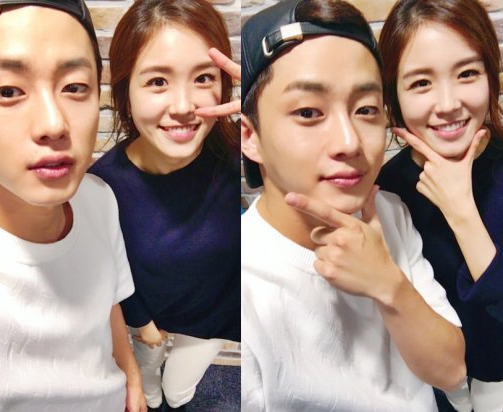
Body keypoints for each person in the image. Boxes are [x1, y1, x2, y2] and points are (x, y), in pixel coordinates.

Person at [240, 0, 466, 410]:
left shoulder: (388, 212)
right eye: (308, 112)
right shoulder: (242, 282)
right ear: (250, 136)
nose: (349, 142)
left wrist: (388, 285)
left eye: (366, 110)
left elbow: (451, 371)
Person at [0, 1, 146, 411]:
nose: (54, 124)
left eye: (75, 87)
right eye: (8, 91)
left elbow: (107, 300)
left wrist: (130, 372)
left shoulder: (97, 197)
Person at [88, 0, 240, 410]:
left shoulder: (241, 157)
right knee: (149, 381)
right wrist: (143, 325)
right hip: (146, 319)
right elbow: (111, 269)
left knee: (178, 391)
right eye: (158, 81)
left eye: (203, 77)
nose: (183, 106)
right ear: (126, 91)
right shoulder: (102, 186)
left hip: (212, 318)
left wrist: (274, 115)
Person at [377, 0, 503, 411]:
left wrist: (461, 211)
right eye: (421, 83)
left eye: (467, 74)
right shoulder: (384, 191)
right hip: (429, 390)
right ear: (393, 95)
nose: (447, 104)